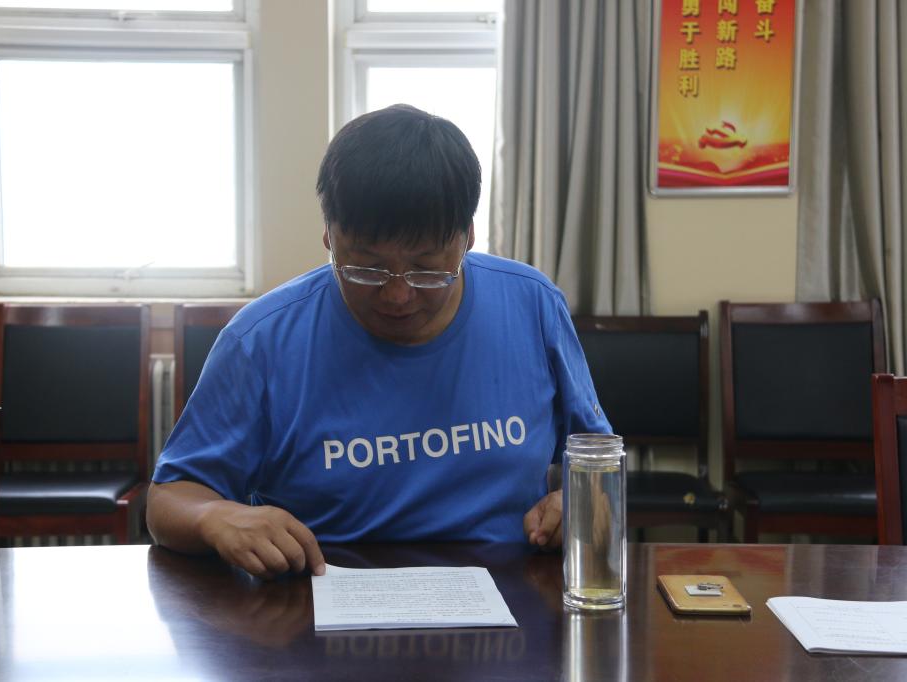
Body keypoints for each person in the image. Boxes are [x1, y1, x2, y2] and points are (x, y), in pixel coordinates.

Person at [147, 104, 611, 579]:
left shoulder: (532, 306)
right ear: (329, 237)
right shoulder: (260, 342)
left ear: (468, 236)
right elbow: (169, 500)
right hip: (323, 595)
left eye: (427, 270)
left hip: (510, 596)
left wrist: (578, 503)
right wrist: (216, 516)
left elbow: (599, 467)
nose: (397, 295)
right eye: (366, 268)